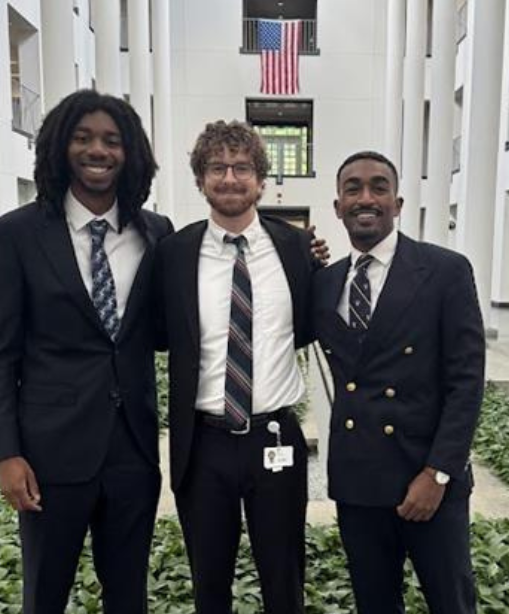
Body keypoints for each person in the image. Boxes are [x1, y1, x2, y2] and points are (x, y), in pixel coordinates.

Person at [0, 89, 173, 614]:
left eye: (112, 140)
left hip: (132, 449)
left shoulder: (155, 233)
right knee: (45, 594)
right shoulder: (17, 234)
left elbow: (165, 327)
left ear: (129, 152)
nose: (98, 150)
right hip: (50, 454)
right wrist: (6, 453)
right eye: (83, 138)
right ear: (61, 146)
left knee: (128, 594)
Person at [312, 151, 485, 614]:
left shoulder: (445, 270)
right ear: (337, 205)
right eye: (353, 188)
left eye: (378, 187)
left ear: (397, 201)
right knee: (374, 605)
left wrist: (438, 472)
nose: (365, 198)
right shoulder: (324, 284)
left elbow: (467, 381)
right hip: (358, 483)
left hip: (428, 480)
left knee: (452, 602)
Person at [155, 120, 317, 614]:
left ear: (261, 180)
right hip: (203, 444)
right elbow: (158, 334)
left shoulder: (296, 249)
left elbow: (309, 327)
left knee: (283, 579)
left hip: (275, 439)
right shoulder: (173, 253)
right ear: (200, 179)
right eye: (217, 168)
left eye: (242, 167)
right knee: (209, 583)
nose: (230, 178)